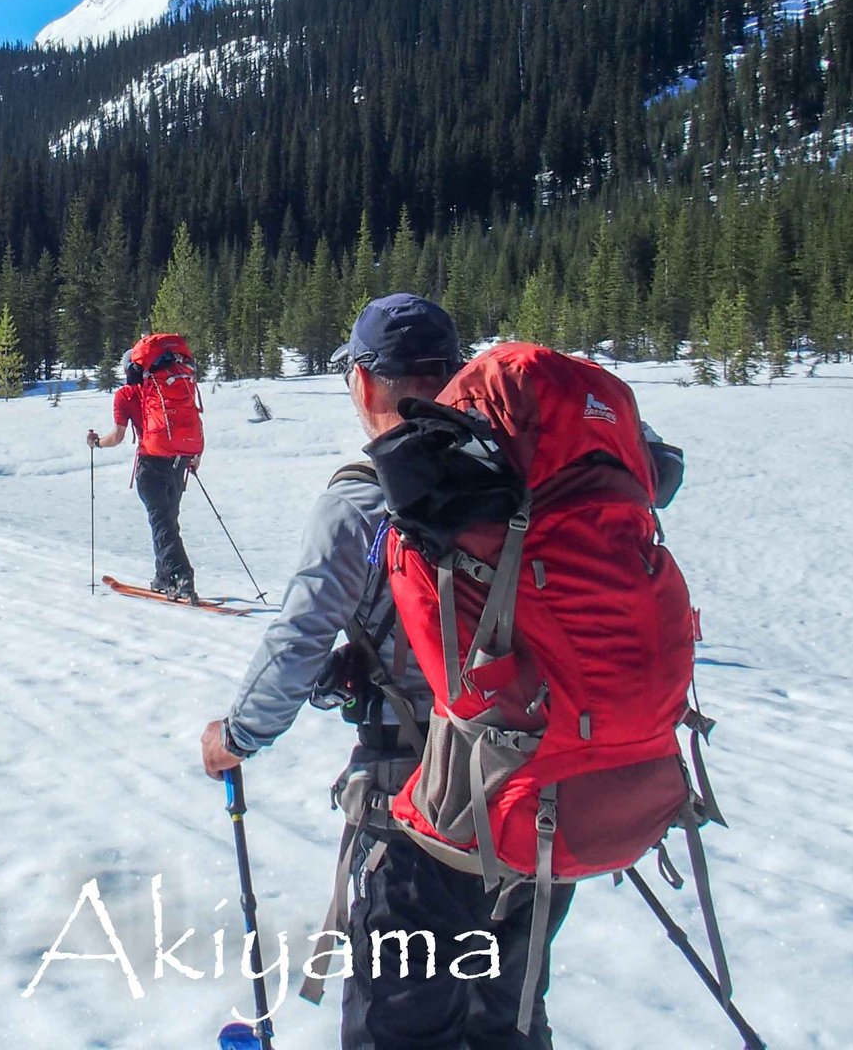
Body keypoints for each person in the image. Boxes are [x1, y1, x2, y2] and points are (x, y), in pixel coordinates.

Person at [200, 294, 684, 1050]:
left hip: (426, 807)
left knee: (402, 1018)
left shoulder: (362, 502)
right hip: (545, 796)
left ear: (364, 385)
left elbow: (298, 636)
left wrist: (238, 734)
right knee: (510, 1012)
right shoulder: (523, 481)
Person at [88, 333, 203, 601]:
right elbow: (194, 419)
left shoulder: (126, 395)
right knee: (167, 522)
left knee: (161, 523)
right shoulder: (171, 387)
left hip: (151, 464)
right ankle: (163, 576)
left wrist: (97, 444)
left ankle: (180, 576)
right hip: (179, 463)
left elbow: (117, 436)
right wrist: (194, 455)